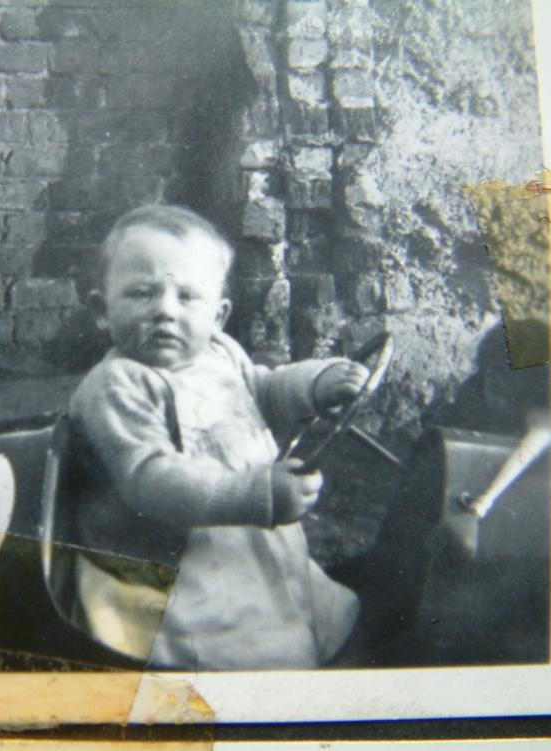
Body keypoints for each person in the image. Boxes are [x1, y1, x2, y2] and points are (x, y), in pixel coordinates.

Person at [66, 204, 370, 669]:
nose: (164, 310)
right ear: (101, 310)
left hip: (251, 549)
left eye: (187, 297)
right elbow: (150, 480)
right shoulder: (119, 385)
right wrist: (255, 492)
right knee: (248, 653)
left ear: (218, 315)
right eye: (142, 293)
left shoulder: (220, 354)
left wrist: (314, 385)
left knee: (320, 612)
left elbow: (263, 390)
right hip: (185, 582)